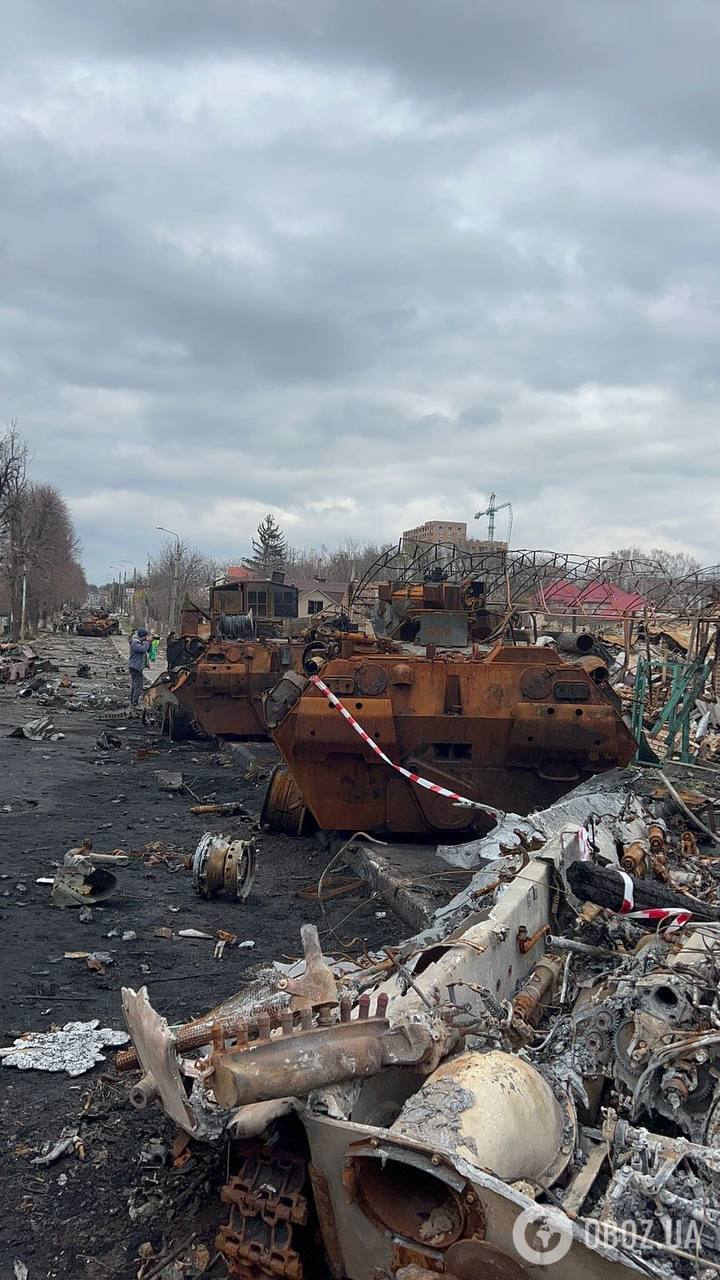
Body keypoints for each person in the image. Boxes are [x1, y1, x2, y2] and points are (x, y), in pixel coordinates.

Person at [128, 627, 151, 706]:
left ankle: (133, 702)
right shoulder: (135, 643)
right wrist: (147, 641)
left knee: (136, 686)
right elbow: (143, 649)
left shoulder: (139, 642)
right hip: (135, 667)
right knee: (138, 686)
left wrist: (149, 642)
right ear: (143, 636)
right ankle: (134, 704)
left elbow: (148, 650)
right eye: (146, 636)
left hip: (137, 667)